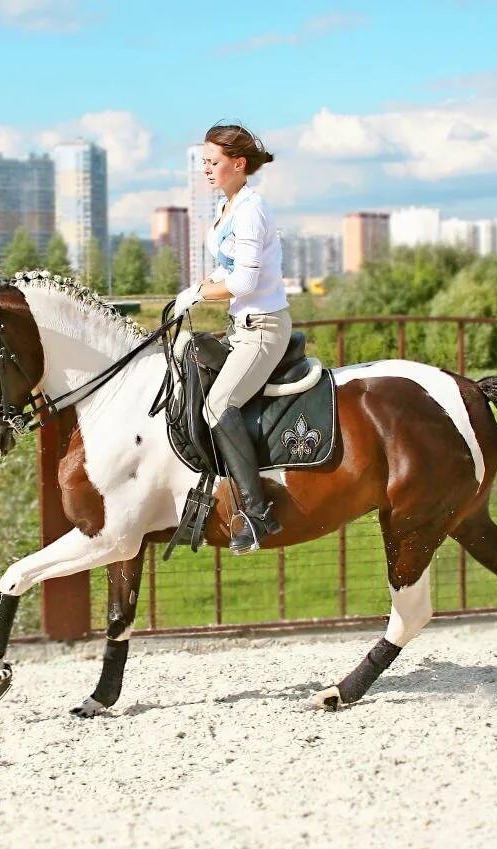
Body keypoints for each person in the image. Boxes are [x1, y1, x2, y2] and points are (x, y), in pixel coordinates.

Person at [173, 123, 292, 555]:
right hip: (239, 326)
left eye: (213, 162)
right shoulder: (231, 206)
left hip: (262, 330)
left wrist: (199, 294)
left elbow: (244, 280)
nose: (206, 169)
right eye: (204, 162)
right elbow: (230, 269)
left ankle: (259, 514)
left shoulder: (250, 210)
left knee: (218, 405)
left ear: (238, 164)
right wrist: (200, 286)